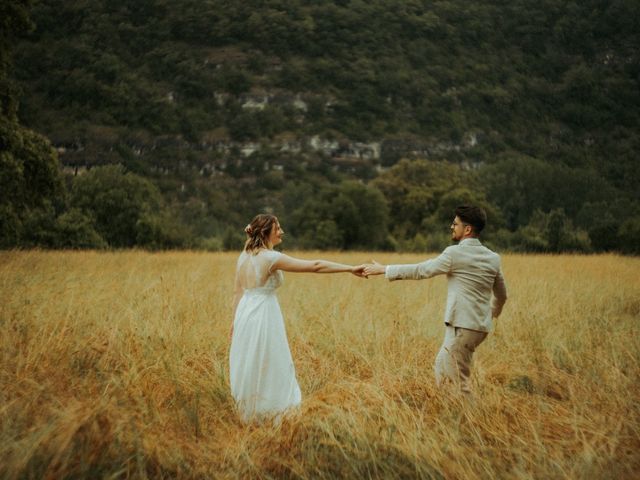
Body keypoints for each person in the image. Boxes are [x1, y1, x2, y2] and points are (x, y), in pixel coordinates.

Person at [229, 213, 365, 422]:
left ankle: (251, 412)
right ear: (267, 233)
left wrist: (234, 323)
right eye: (278, 228)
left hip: (245, 314)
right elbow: (315, 266)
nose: (282, 232)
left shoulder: (243, 256)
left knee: (251, 361)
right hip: (264, 313)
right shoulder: (270, 258)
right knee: (273, 360)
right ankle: (274, 412)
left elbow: (238, 292)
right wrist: (349, 268)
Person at [363, 205, 507, 394]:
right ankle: (448, 413)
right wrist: (491, 314)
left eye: (455, 224)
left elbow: (422, 270)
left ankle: (469, 420)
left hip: (462, 326)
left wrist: (385, 269)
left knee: (458, 382)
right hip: (477, 327)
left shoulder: (454, 253)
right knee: (442, 367)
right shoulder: (493, 258)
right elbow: (502, 295)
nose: (451, 227)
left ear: (468, 229)